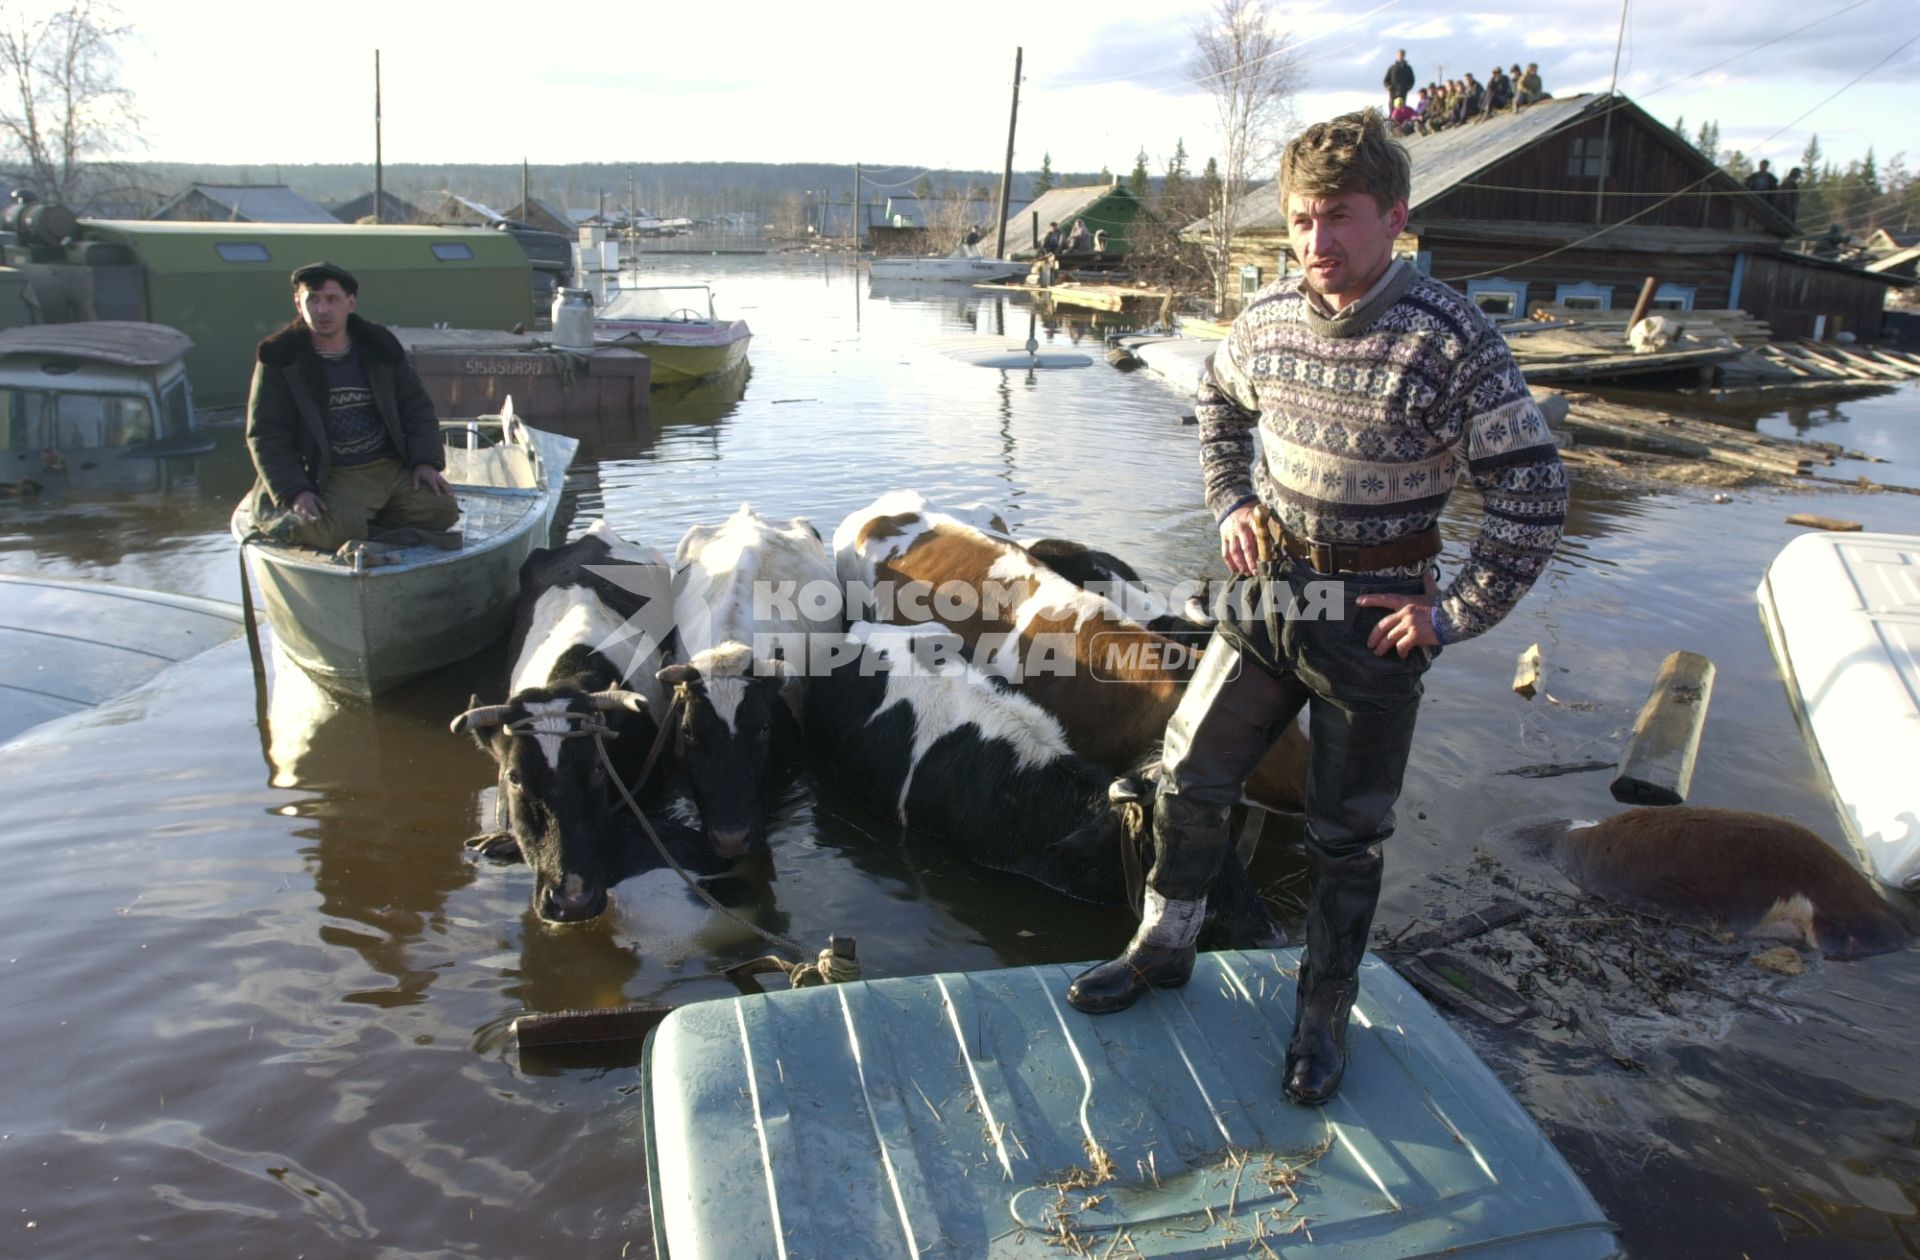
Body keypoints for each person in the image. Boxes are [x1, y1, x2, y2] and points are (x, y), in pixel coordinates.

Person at [1064, 109, 1567, 1108]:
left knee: (1346, 837)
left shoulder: (1449, 341)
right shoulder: (1267, 318)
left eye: (1339, 219)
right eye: (1301, 222)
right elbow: (1217, 406)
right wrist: (1233, 500)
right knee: (1187, 776)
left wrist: (1452, 615)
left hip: (1375, 618)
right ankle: (1165, 946)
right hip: (1265, 597)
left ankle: (1322, 1011)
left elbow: (1534, 494)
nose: (1317, 244)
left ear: (1395, 217)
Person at [243, 261, 458, 553]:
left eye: (332, 300)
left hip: (388, 465)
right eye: (312, 300)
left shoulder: (379, 348)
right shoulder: (281, 359)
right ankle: (287, 522)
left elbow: (416, 408)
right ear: (298, 303)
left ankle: (365, 522)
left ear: (350, 303)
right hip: (332, 471)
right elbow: (266, 434)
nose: (322, 310)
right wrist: (295, 491)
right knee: (335, 534)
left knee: (442, 511)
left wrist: (425, 462)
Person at [1383, 49, 1415, 115]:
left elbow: (1412, 80)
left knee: (1402, 110)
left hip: (1403, 92)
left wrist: (1407, 87)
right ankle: (1391, 123)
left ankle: (1401, 124)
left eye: (1402, 55)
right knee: (1392, 109)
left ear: (1404, 56)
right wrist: (1388, 87)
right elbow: (1386, 80)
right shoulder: (1392, 68)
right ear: (1396, 56)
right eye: (1399, 55)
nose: (1400, 56)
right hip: (1393, 92)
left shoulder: (1408, 68)